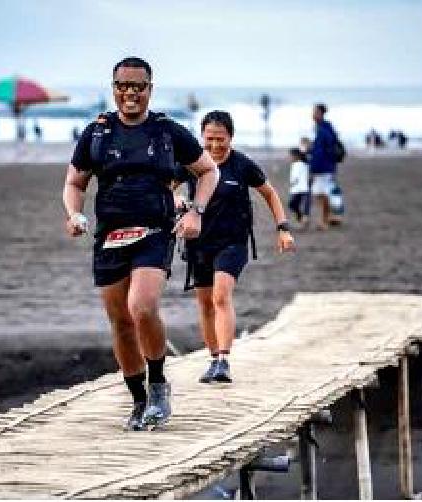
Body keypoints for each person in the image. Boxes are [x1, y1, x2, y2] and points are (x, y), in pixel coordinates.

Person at [62, 57, 218, 431]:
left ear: (150, 88)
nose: (130, 93)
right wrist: (73, 213)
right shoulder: (96, 133)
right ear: (113, 87)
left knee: (142, 307)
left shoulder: (167, 132)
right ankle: (138, 399)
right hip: (110, 236)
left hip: (154, 231)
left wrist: (196, 211)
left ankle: (159, 383)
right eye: (123, 85)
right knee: (120, 322)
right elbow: (74, 183)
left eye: (138, 86)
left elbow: (208, 170)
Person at [174, 111, 294, 384]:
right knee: (205, 303)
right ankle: (213, 358)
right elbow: (165, 187)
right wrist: (175, 197)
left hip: (233, 242)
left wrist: (283, 228)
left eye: (221, 139)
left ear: (231, 137)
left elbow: (270, 193)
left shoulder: (242, 165)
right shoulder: (193, 164)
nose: (215, 146)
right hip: (198, 243)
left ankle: (224, 360)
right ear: (200, 138)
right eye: (209, 140)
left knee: (220, 296)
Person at [310, 103, 341, 229]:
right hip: (327, 166)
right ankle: (328, 217)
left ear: (321, 113)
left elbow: (321, 151)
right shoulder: (325, 128)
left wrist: (313, 168)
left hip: (323, 167)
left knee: (320, 193)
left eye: (315, 112)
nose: (312, 114)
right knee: (322, 192)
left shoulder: (323, 130)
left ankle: (325, 220)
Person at [288, 148, 310, 225]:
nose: (290, 157)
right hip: (300, 188)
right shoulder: (303, 164)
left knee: (293, 204)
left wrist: (292, 183)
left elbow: (295, 178)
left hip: (300, 188)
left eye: (291, 156)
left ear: (296, 156)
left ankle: (302, 219)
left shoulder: (299, 164)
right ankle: (301, 219)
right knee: (294, 205)